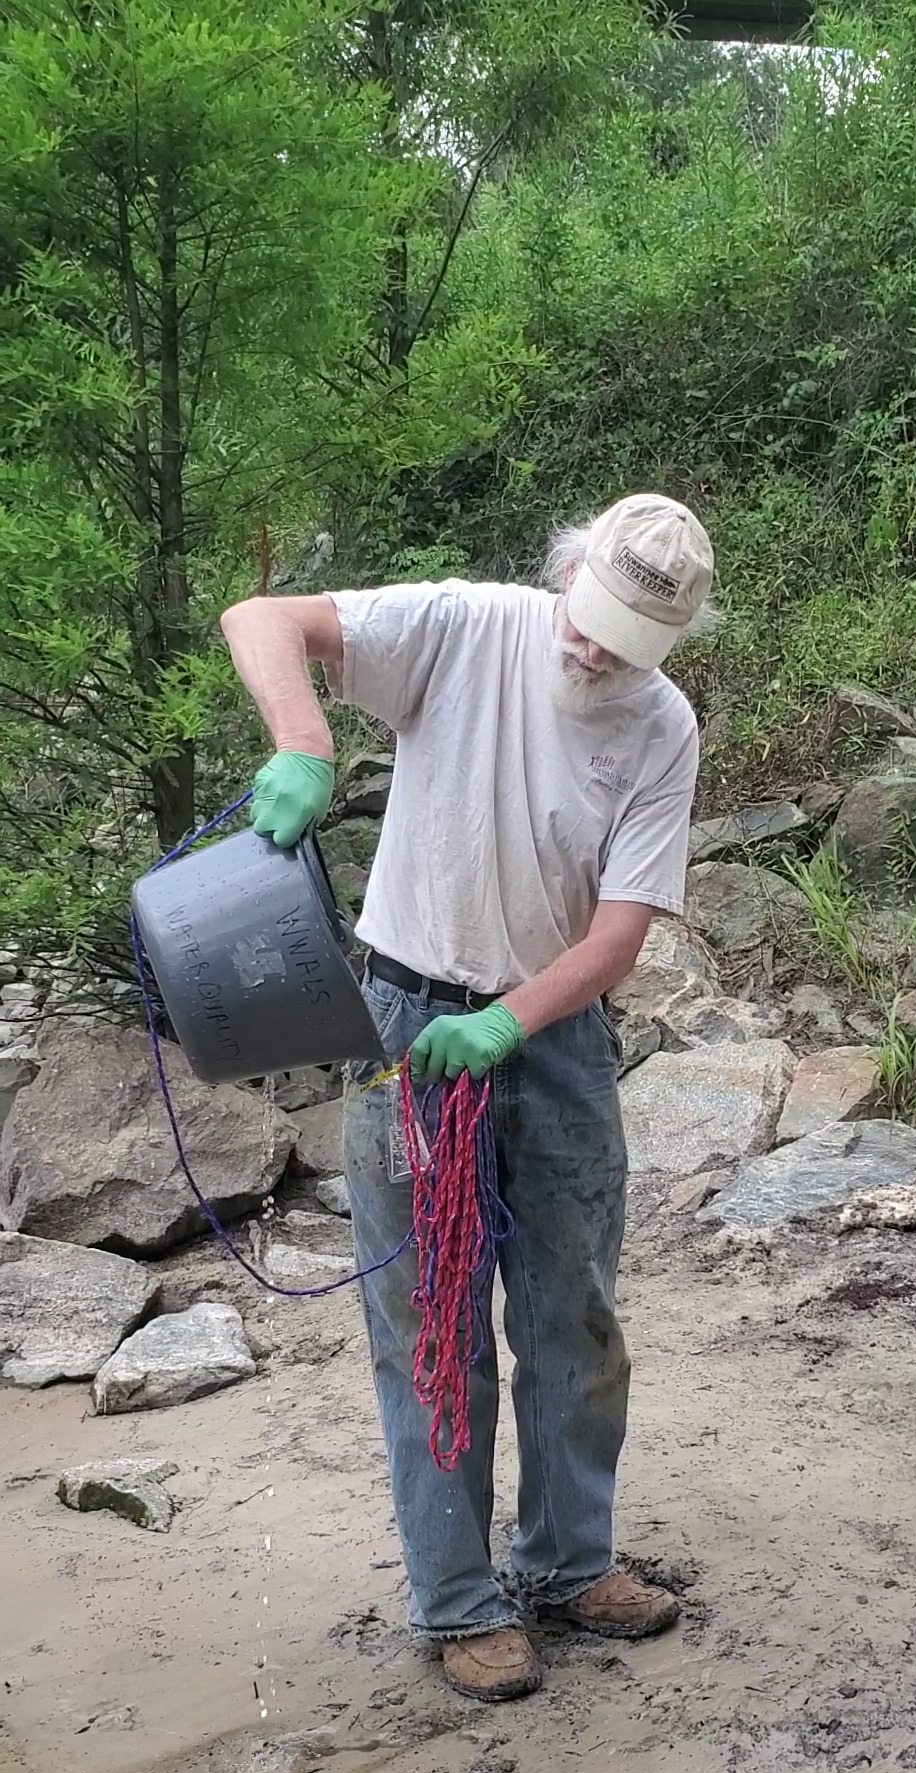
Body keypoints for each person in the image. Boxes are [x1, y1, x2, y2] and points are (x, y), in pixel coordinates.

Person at [220, 492, 714, 1703]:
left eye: (628, 641)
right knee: (430, 1318)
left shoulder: (661, 727)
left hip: (550, 1039)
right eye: (590, 619)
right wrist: (303, 739)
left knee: (574, 1311)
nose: (595, 651)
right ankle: (457, 1596)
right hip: (403, 1019)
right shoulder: (466, 626)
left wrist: (513, 1016)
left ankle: (568, 1562)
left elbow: (620, 930)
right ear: (565, 573)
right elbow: (264, 616)